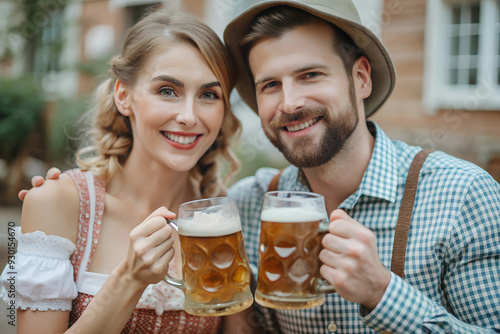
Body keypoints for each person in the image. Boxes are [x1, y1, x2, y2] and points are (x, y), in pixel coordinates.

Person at [18, 1, 500, 333]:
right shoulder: (245, 207)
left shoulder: (463, 196)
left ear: (360, 77)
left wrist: (382, 293)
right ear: (124, 95)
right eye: (270, 84)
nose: (290, 103)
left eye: (310, 75)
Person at [0, 8, 260, 334]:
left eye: (209, 94)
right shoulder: (58, 202)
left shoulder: (221, 215)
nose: (189, 116)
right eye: (167, 90)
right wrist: (128, 279)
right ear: (124, 96)